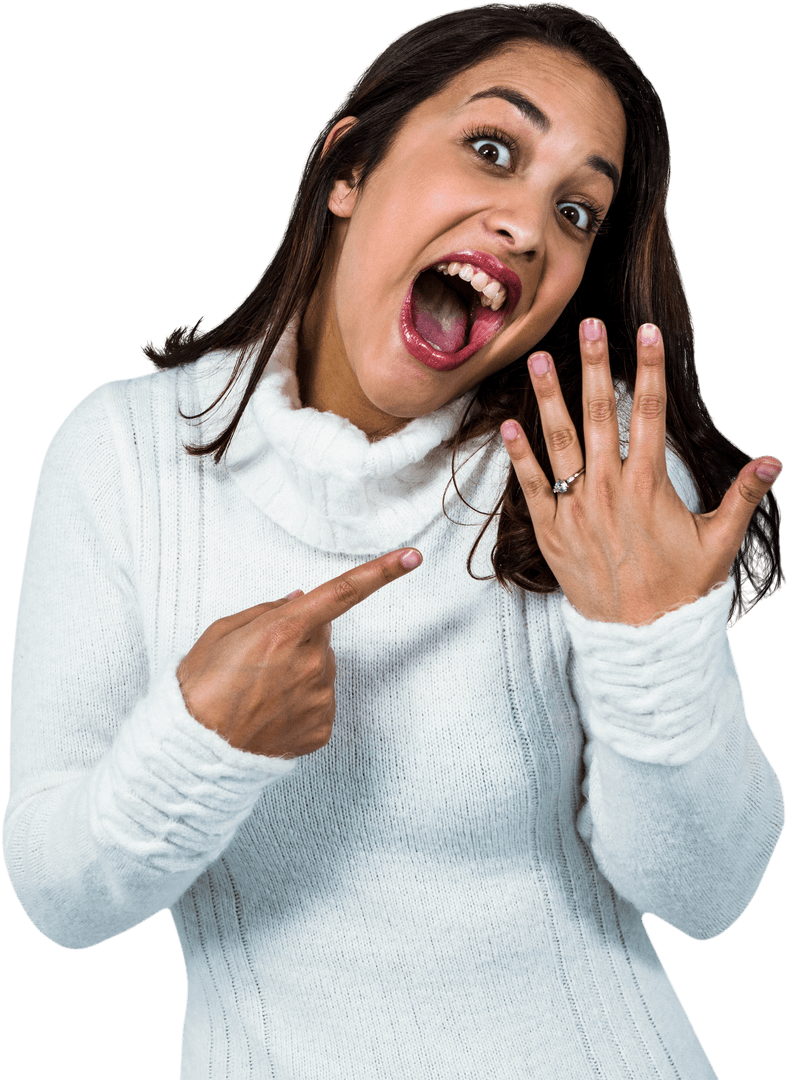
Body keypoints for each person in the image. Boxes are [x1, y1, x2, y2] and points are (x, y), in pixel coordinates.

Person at [3, 3, 785, 1078]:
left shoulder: (594, 472)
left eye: (574, 210)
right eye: (492, 149)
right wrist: (200, 739)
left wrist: (652, 642)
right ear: (349, 166)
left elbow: (709, 895)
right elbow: (58, 899)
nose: (525, 225)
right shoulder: (123, 454)